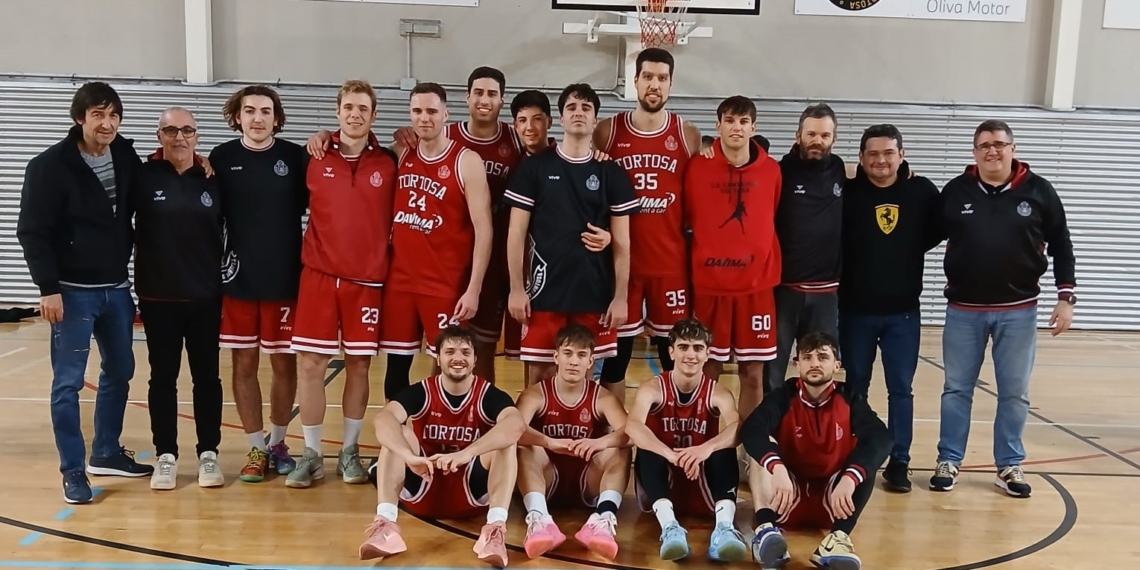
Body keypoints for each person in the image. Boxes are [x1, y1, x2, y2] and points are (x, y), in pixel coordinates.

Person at [17, 81, 153, 504]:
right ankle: (73, 471)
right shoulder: (49, 166)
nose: (107, 123)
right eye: (98, 115)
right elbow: (32, 233)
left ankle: (106, 451)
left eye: (113, 115)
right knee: (68, 385)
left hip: (116, 289)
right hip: (72, 294)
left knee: (121, 371)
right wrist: (48, 289)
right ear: (80, 118)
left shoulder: (125, 155)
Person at [931, 119, 1076, 498]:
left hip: (1019, 310)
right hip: (963, 309)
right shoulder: (956, 192)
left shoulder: (1039, 191)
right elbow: (920, 235)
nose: (992, 151)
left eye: (999, 144)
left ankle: (1009, 464)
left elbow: (1062, 243)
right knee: (956, 389)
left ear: (1013, 148)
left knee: (1014, 392)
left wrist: (1065, 298)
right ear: (974, 152)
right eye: (984, 145)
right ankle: (949, 460)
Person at [286, 79, 398, 488]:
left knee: (359, 365)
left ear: (373, 116)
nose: (355, 114)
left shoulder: (390, 161)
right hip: (318, 277)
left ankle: (349, 451)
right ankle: (311, 453)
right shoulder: (311, 157)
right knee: (311, 365)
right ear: (337, 112)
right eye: (348, 107)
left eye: (363, 108)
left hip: (367, 281)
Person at [504, 83, 637, 386]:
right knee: (538, 378)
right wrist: (516, 288)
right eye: (571, 108)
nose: (578, 113)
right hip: (543, 293)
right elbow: (516, 233)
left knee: (584, 379)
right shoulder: (534, 168)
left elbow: (623, 243)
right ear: (560, 120)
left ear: (595, 121)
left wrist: (620, 297)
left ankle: (579, 436)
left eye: (586, 108)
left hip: (594, 294)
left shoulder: (612, 173)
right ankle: (533, 436)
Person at [209, 84, 309, 482]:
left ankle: (279, 442)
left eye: (265, 111)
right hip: (238, 278)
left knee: (284, 365)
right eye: (249, 111)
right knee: (244, 363)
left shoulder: (293, 157)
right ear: (238, 116)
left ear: (276, 118)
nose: (257, 118)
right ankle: (255, 447)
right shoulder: (221, 158)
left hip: (286, 278)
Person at [359, 326, 523, 567]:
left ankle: (495, 529)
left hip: (472, 492)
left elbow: (516, 425)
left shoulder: (488, 395)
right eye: (450, 352)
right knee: (399, 433)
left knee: (506, 443)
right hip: (424, 482)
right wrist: (408, 456)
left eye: (466, 352)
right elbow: (383, 419)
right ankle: (386, 525)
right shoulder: (422, 391)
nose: (458, 358)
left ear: (475, 359)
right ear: (438, 357)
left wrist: (467, 453)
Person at [592, 48, 702, 401]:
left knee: (676, 362)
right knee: (614, 362)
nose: (654, 84)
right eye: (648, 77)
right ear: (635, 81)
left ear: (671, 84)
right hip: (620, 268)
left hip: (670, 267)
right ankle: (616, 442)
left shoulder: (688, 135)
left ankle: (675, 433)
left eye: (662, 78)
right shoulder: (607, 131)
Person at [837, 124, 942, 493]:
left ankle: (899, 462)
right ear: (862, 158)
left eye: (888, 153)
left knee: (901, 389)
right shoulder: (849, 193)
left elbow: (945, 228)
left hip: (904, 315)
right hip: (855, 312)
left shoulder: (922, 191)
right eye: (872, 154)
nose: (881, 161)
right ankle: (858, 457)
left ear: (902, 154)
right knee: (856, 387)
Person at [131, 107, 225, 490]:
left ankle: (209, 454)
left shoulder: (213, 178)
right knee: (162, 378)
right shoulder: (142, 176)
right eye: (170, 130)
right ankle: (165, 455)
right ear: (159, 136)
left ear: (197, 136)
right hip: (158, 297)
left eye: (187, 130)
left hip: (205, 296)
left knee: (207, 378)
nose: (179, 137)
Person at [741, 331, 891, 570]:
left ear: (836, 365)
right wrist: (776, 468)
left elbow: (881, 438)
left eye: (822, 357)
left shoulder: (849, 398)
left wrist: (851, 478)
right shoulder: (784, 396)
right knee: (762, 449)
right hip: (785, 497)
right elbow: (751, 429)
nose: (815, 363)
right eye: (807, 357)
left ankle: (838, 538)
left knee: (865, 458)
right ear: (796, 364)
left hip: (835, 500)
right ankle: (765, 530)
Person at [377, 82, 492, 391]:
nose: (423, 118)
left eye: (431, 111)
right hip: (400, 281)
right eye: (416, 111)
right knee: (396, 367)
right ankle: (396, 437)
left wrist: (473, 289)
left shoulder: (466, 161)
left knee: (450, 368)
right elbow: (356, 154)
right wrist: (321, 137)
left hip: (446, 285)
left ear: (446, 114)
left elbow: (484, 229)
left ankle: (441, 434)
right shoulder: (400, 153)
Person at [684, 95, 782, 422]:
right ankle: (708, 444)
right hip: (709, 287)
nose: (736, 127)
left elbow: (772, 215)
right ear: (719, 126)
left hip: (755, 290)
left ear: (753, 127)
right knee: (707, 369)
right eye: (729, 120)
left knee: (753, 374)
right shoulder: (697, 166)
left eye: (743, 122)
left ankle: (747, 450)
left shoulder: (771, 171)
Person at [623, 318, 746, 562]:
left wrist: (705, 448)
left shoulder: (717, 392)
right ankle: (670, 528)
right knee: (648, 445)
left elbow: (737, 429)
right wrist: (670, 454)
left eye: (698, 348)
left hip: (700, 478)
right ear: (671, 351)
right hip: (663, 478)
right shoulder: (653, 388)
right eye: (684, 347)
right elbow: (633, 426)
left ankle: (723, 528)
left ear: (708, 353)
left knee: (723, 448)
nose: (691, 354)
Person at [514, 324, 631, 561]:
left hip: (588, 480)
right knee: (524, 448)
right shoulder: (535, 394)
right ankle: (538, 520)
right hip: (546, 478)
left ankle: (603, 519)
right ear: (556, 357)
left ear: (591, 361)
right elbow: (512, 431)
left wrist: (600, 443)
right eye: (568, 353)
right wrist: (548, 442)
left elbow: (630, 433)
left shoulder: (602, 397)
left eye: (581, 355)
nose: (574, 362)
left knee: (620, 449)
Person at [765, 103, 847, 394]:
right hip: (783, 290)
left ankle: (813, 436)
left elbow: (878, 175)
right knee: (772, 372)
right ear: (798, 135)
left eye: (825, 135)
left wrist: (905, 172)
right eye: (811, 134)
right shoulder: (777, 172)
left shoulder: (839, 169)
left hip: (825, 293)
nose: (818, 140)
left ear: (833, 139)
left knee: (820, 373)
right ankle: (769, 436)